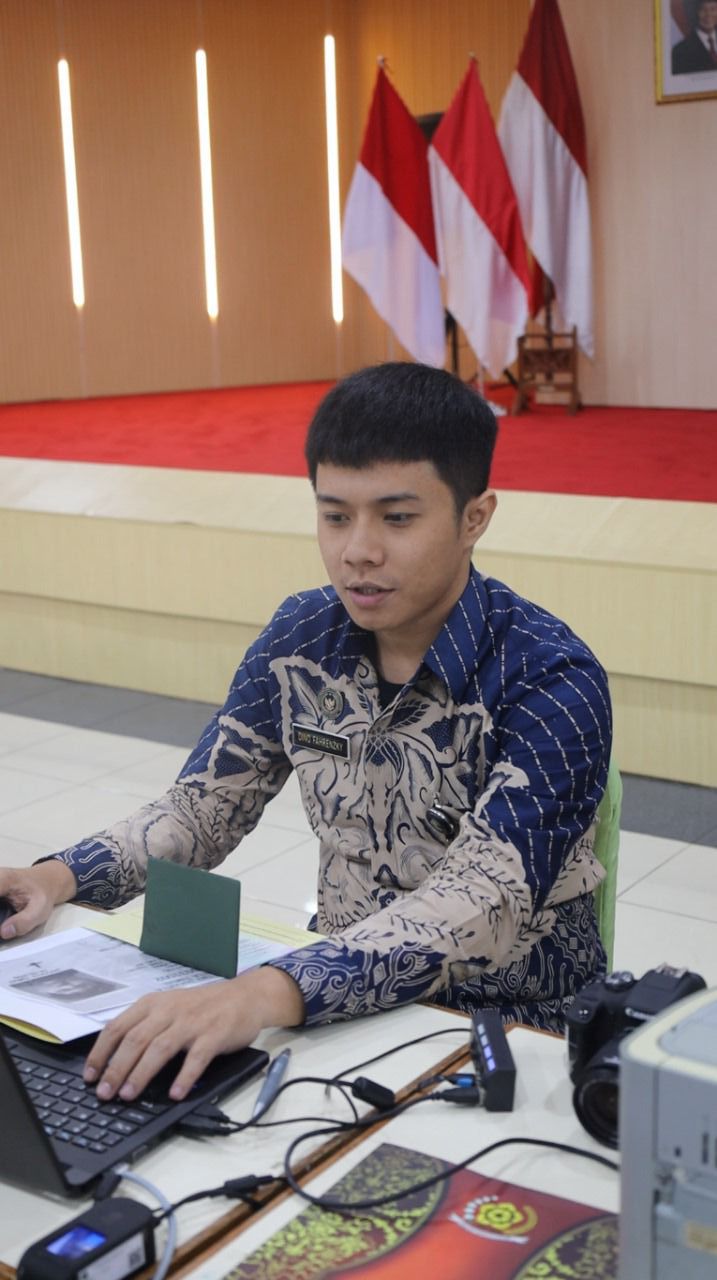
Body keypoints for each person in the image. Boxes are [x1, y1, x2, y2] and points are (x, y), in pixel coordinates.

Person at [0, 363, 611, 1105]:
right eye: (334, 516)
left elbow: (481, 900)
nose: (358, 551)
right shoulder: (301, 636)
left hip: (508, 1029)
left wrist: (265, 993)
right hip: (330, 998)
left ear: (474, 517)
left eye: (396, 518)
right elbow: (203, 807)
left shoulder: (550, 678)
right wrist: (54, 878)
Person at [672, 0, 717, 74]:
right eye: (703, 9)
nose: (708, 14)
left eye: (713, 9)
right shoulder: (680, 51)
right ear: (695, 13)